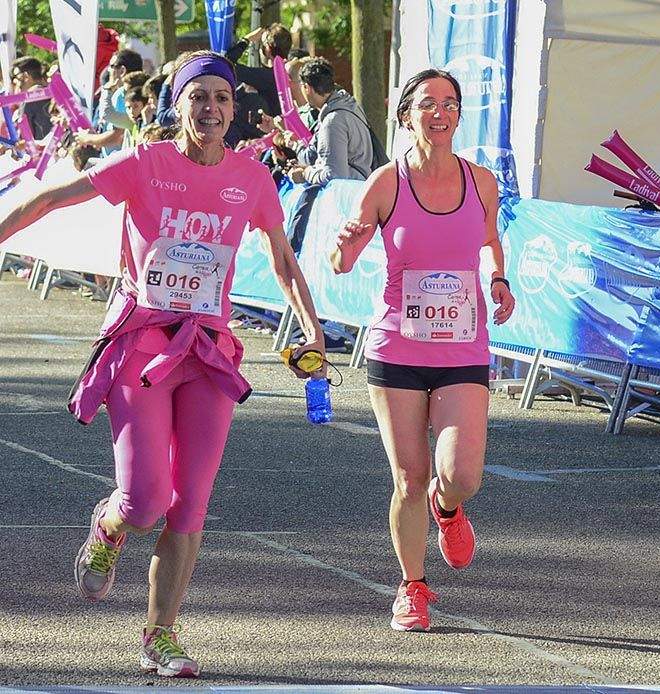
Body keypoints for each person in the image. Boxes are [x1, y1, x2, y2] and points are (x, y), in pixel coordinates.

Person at [0, 50, 327, 677]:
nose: (211, 109)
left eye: (222, 98)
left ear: (236, 109)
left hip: (207, 349)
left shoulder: (251, 179)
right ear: (176, 104)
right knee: (147, 498)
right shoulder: (144, 165)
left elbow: (282, 257)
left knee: (191, 504)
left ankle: (161, 635)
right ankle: (110, 522)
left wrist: (311, 325)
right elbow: (46, 198)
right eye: (198, 96)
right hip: (143, 343)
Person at [329, 68, 515, 632]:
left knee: (462, 473)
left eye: (451, 104)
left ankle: (449, 505)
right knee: (408, 478)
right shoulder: (387, 182)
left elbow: (488, 242)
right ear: (407, 113)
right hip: (398, 347)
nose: (441, 113)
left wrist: (500, 280)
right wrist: (345, 244)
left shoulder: (481, 182)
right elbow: (343, 262)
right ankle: (412, 586)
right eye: (429, 104)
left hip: (461, 347)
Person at [286, 57, 375, 253]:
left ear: (307, 87)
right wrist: (295, 146)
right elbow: (316, 154)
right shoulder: (346, 106)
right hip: (357, 192)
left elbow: (334, 174)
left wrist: (306, 173)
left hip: (346, 206)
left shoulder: (333, 120)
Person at [10, 57, 53, 140]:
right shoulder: (55, 94)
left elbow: (24, 138)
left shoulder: (29, 100)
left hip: (42, 150)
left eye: (16, 77)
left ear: (26, 76)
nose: (15, 82)